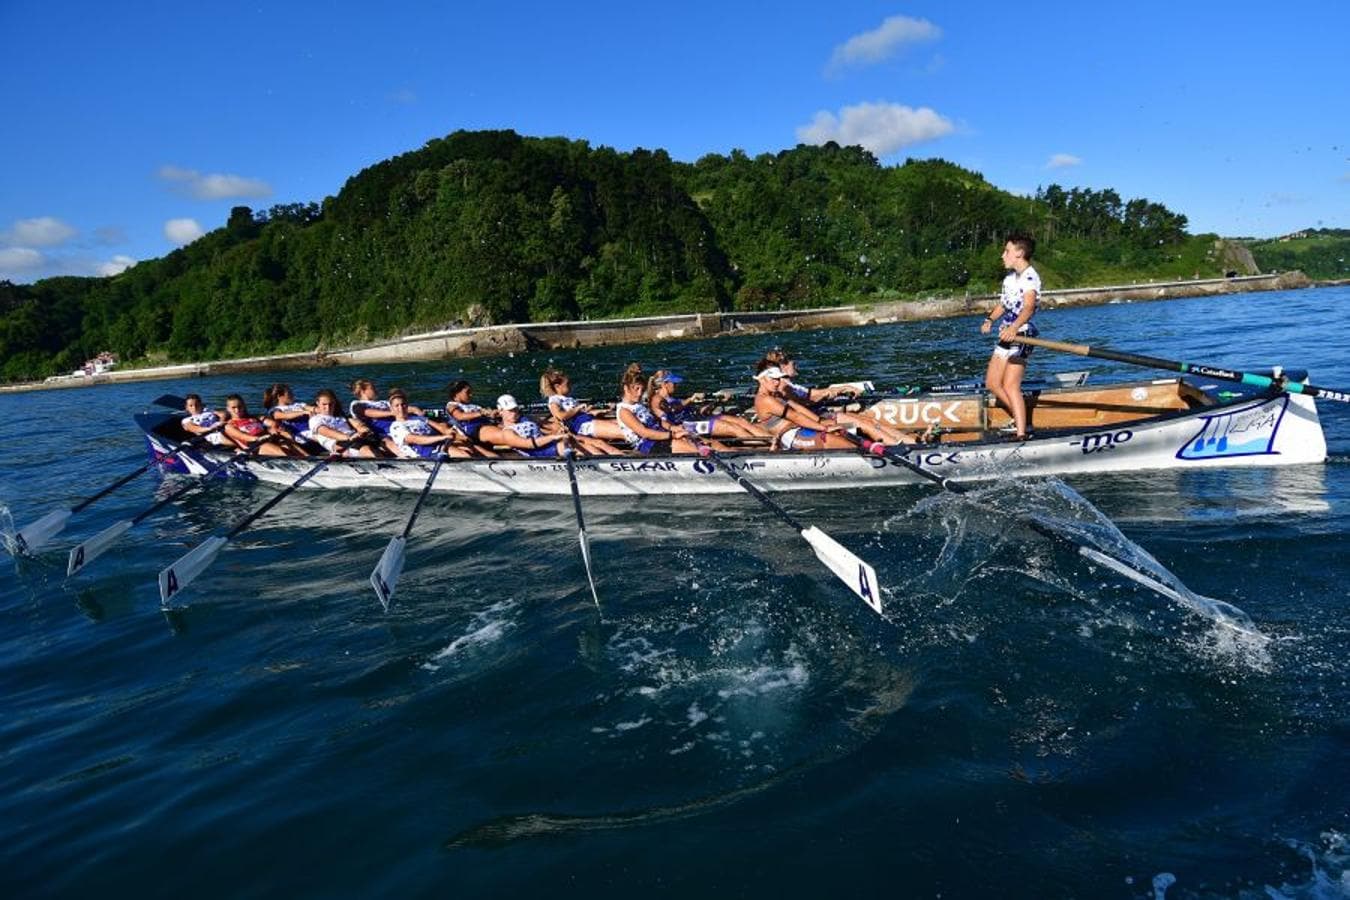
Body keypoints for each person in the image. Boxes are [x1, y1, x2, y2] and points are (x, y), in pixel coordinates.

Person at [760, 350, 915, 445]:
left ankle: (908, 443)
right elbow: (804, 402)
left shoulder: (787, 383)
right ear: (783, 366)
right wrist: (830, 393)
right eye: (793, 361)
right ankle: (898, 448)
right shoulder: (782, 385)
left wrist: (836, 390)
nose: (796, 364)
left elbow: (811, 394)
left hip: (817, 413)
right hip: (815, 417)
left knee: (870, 421)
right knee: (863, 424)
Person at [980, 233, 1041, 439]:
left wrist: (1014, 327)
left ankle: (1022, 432)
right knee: (992, 384)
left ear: (1019, 253)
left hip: (1022, 335)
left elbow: (1029, 308)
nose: (1002, 255)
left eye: (1007, 251)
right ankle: (1019, 416)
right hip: (1007, 334)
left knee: (1010, 385)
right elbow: (1004, 305)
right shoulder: (1009, 279)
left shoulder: (1030, 277)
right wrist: (990, 320)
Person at [751, 366, 857, 451]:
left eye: (778, 379)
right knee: (848, 445)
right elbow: (796, 416)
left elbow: (799, 408)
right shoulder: (765, 399)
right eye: (773, 379)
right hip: (791, 436)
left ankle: (867, 446)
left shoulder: (776, 395)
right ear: (761, 380)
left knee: (851, 427)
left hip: (801, 428)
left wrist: (821, 421)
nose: (777, 382)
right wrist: (825, 428)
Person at [645, 369, 769, 441]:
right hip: (686, 426)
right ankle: (763, 451)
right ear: (665, 384)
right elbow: (672, 409)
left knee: (742, 422)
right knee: (734, 429)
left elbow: (700, 412)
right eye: (674, 383)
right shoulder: (656, 399)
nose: (676, 385)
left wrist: (718, 401)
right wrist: (691, 399)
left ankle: (770, 442)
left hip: (695, 420)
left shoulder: (673, 398)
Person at [613, 363, 706, 455]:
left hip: (661, 436)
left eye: (642, 389)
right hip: (647, 445)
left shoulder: (639, 405)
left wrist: (674, 428)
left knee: (702, 441)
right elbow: (645, 433)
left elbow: (659, 421)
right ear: (626, 388)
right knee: (685, 445)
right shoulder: (624, 411)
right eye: (636, 389)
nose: (640, 393)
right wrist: (672, 435)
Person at [539, 367, 627, 453]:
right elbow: (561, 416)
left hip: (587, 420)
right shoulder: (554, 400)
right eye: (567, 384)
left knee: (624, 424)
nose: (570, 386)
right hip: (582, 426)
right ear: (557, 386)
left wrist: (597, 411)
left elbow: (578, 413)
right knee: (624, 431)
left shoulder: (567, 398)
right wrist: (578, 408)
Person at [384, 389, 471, 459]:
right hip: (423, 450)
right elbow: (414, 439)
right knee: (463, 454)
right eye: (397, 406)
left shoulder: (418, 417)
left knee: (468, 449)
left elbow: (441, 427)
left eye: (403, 404)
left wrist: (454, 433)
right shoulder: (396, 426)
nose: (401, 408)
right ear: (391, 409)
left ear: (407, 405)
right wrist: (443, 437)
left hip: (438, 443)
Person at [478, 394, 571, 458]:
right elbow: (528, 444)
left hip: (547, 442)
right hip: (539, 451)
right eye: (510, 411)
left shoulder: (525, 418)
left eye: (515, 409)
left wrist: (559, 430)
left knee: (575, 439)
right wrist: (553, 437)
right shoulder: (506, 431)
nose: (514, 413)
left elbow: (548, 427)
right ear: (501, 411)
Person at [307, 389, 381, 457]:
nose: (328, 407)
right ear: (317, 403)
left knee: (382, 441)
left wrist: (363, 428)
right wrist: (348, 437)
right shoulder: (315, 419)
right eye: (324, 404)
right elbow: (326, 431)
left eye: (331, 404)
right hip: (339, 443)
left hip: (354, 439)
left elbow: (357, 424)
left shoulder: (341, 417)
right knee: (366, 449)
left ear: (334, 403)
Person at [222, 394, 303, 457]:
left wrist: (274, 428)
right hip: (255, 447)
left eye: (240, 406)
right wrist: (258, 438)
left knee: (286, 440)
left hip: (268, 439)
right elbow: (243, 437)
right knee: (268, 446)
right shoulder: (229, 425)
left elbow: (272, 423)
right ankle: (297, 463)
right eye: (234, 407)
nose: (237, 410)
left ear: (244, 406)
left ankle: (308, 458)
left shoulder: (255, 417)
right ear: (228, 409)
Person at [442, 381, 501, 457]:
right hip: (469, 435)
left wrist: (493, 413)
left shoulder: (474, 406)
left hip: (483, 428)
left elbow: (487, 414)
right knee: (493, 456)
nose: (471, 394)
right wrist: (481, 413)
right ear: (457, 394)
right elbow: (460, 416)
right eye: (467, 392)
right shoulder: (452, 405)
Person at [350, 379, 422, 435]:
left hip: (399, 422)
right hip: (382, 429)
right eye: (372, 388)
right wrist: (392, 413)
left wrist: (414, 409)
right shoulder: (356, 404)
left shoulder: (383, 402)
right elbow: (369, 413)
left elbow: (399, 406)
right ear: (363, 391)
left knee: (423, 417)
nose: (376, 390)